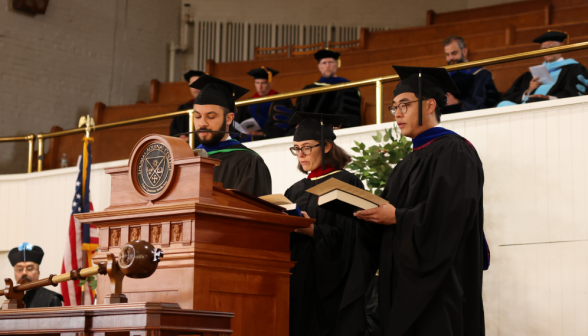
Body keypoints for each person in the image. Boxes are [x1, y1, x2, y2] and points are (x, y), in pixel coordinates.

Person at [355, 66, 485, 335]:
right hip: (402, 283)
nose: (398, 114)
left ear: (430, 105)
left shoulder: (455, 150)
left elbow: (452, 215)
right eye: (394, 108)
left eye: (404, 104)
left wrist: (397, 217)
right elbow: (386, 218)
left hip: (440, 285)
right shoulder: (406, 163)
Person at [285, 112, 380, 336]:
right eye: (296, 148)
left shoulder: (347, 182)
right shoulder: (295, 189)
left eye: (307, 147)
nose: (301, 154)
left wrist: (313, 231)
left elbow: (353, 240)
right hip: (298, 280)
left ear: (327, 146)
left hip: (332, 287)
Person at [189, 74, 272, 197]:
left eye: (211, 117)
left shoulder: (248, 162)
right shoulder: (188, 160)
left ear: (229, 119)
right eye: (197, 116)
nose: (202, 123)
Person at [498, 31, 588, 106]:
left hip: (554, 106)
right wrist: (528, 90)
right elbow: (509, 96)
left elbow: (573, 92)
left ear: (562, 46)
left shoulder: (573, 68)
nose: (547, 50)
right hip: (528, 107)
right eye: (544, 48)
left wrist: (548, 98)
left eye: (551, 46)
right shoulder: (530, 75)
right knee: (502, 105)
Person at [293, 49, 362, 129]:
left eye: (330, 62)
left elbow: (348, 111)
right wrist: (301, 123)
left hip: (334, 130)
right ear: (319, 67)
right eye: (324, 63)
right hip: (309, 131)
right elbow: (301, 111)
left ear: (336, 64)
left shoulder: (347, 87)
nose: (327, 66)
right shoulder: (309, 90)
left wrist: (339, 121)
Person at [442, 35, 500, 114]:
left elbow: (488, 102)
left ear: (464, 51)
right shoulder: (443, 77)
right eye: (447, 54)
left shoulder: (481, 74)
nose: (450, 58)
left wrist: (459, 102)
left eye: (454, 53)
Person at [235, 67, 294, 141]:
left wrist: (262, 133)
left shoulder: (280, 100)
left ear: (270, 83)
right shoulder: (248, 102)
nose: (260, 87)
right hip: (248, 138)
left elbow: (282, 125)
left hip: (269, 139)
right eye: (257, 83)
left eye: (263, 83)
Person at [8, 243, 63, 308]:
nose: (24, 273)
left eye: (29, 268)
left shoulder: (51, 299)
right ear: (15, 274)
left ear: (38, 273)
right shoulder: (10, 302)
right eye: (19, 269)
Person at [169, 70, 205, 143]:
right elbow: (174, 130)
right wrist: (179, 138)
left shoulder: (211, 106)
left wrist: (191, 140)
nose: (195, 86)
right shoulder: (183, 108)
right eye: (192, 84)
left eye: (198, 83)